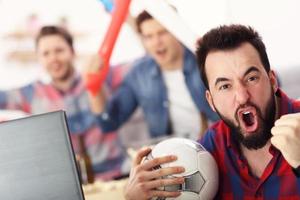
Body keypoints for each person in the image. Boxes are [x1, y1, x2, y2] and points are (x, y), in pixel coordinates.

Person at [123, 24, 300, 199]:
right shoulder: (208, 149)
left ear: (272, 81)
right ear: (211, 101)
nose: (242, 96)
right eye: (225, 86)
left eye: (251, 78)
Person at [0, 25, 129, 181]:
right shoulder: (31, 94)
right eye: (46, 54)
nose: (53, 58)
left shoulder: (101, 76)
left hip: (116, 175)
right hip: (71, 184)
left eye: (59, 50)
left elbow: (139, 65)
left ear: (72, 52)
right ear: (39, 59)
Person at [87, 11, 218, 140]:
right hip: (169, 155)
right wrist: (94, 88)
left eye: (162, 33)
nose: (156, 42)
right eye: (148, 37)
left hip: (215, 146)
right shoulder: (139, 74)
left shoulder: (206, 61)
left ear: (176, 32)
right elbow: (108, 123)